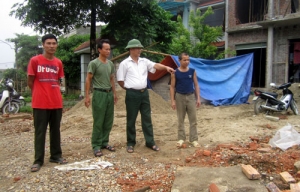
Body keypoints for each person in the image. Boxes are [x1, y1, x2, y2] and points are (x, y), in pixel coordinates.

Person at [117, 39, 175, 153]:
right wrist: (129, 89)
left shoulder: (144, 61)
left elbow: (155, 65)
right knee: (131, 119)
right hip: (132, 94)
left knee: (147, 118)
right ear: (131, 49)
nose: (140, 50)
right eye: (138, 48)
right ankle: (130, 143)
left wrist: (166, 67)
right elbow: (120, 80)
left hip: (144, 93)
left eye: (140, 48)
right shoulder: (125, 64)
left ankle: (150, 142)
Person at [27, 34, 67, 172]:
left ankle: (56, 155)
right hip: (40, 103)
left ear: (56, 45)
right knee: (40, 132)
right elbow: (30, 81)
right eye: (48, 43)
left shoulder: (58, 63)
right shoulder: (35, 61)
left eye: (54, 43)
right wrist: (38, 92)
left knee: (55, 131)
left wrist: (58, 93)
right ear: (43, 45)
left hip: (56, 102)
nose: (51, 46)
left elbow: (61, 81)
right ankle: (38, 160)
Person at [85, 39, 118, 157]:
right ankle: (96, 145)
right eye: (106, 49)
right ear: (100, 50)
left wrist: (114, 93)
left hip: (109, 94)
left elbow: (111, 79)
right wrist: (87, 96)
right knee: (98, 121)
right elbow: (88, 79)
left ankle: (105, 142)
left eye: (109, 49)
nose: (108, 51)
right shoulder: (94, 63)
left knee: (108, 120)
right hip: (99, 94)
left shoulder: (110, 64)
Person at [170, 53, 201, 148]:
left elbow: (196, 85)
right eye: (184, 60)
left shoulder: (192, 71)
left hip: (191, 96)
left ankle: (193, 139)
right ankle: (181, 138)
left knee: (193, 119)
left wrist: (198, 98)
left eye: (188, 60)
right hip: (179, 97)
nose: (187, 62)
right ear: (179, 61)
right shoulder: (175, 73)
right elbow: (172, 87)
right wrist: (173, 100)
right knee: (180, 119)